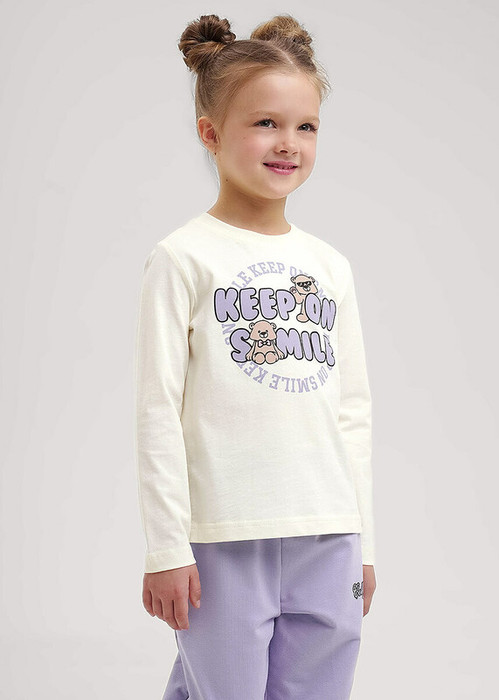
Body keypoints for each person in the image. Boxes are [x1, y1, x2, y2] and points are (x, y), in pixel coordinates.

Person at [134, 12, 377, 700]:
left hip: (327, 535)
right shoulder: (184, 258)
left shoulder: (329, 266)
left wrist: (364, 544)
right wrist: (166, 548)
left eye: (306, 126)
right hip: (224, 536)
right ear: (210, 133)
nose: (288, 143)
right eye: (265, 123)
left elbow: (353, 415)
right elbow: (158, 412)